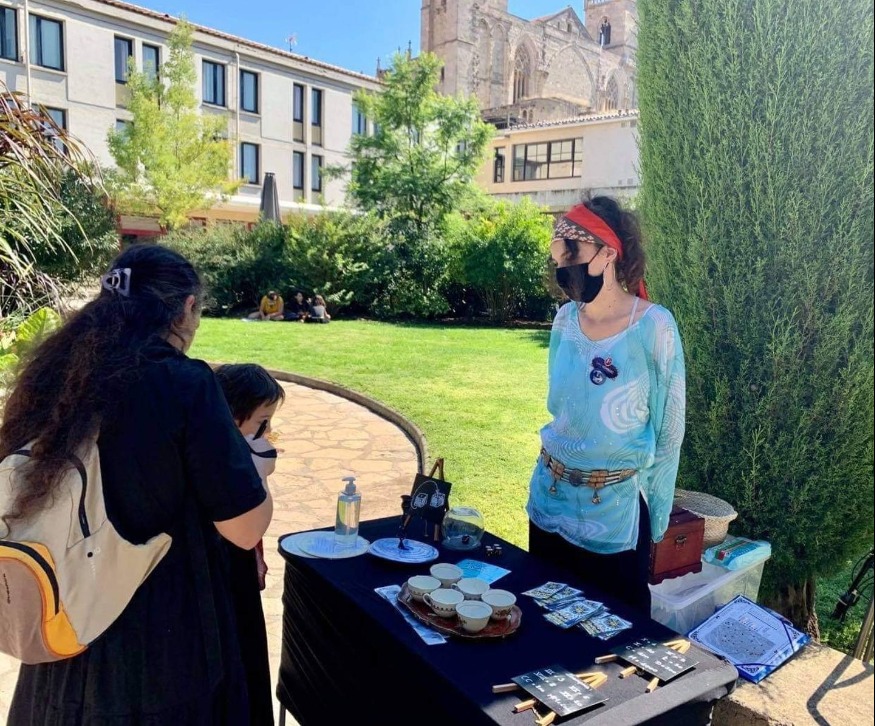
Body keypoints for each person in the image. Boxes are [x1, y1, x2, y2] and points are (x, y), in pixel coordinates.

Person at [1, 245, 273, 724]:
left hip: (65, 623)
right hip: (160, 648)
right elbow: (244, 527)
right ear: (187, 307)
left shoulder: (55, 373)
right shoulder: (183, 383)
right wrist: (258, 466)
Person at [526, 196, 686, 612]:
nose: (563, 267)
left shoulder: (653, 326)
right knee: (544, 620)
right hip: (548, 499)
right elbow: (561, 406)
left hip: (612, 512)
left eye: (572, 254)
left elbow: (670, 430)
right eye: (557, 258)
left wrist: (659, 515)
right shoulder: (565, 320)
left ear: (608, 252)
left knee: (613, 632)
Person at [215, 364, 285, 726]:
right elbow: (252, 525)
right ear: (233, 415)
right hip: (226, 577)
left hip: (235, 573)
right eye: (262, 421)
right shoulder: (220, 460)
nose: (267, 431)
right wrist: (258, 473)